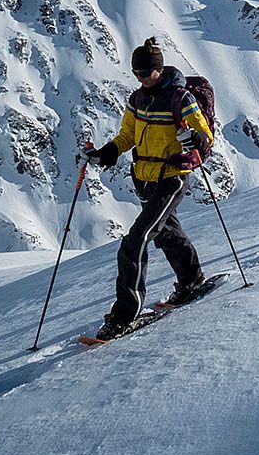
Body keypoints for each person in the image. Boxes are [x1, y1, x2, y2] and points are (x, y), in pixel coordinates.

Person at [80, 38, 215, 340]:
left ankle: (125, 313)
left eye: (145, 73)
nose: (140, 79)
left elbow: (203, 133)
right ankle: (191, 280)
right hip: (144, 177)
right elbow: (128, 134)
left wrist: (198, 140)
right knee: (166, 232)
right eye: (136, 73)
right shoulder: (137, 99)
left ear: (158, 69)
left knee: (136, 239)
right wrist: (107, 152)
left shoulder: (180, 98)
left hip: (171, 176)